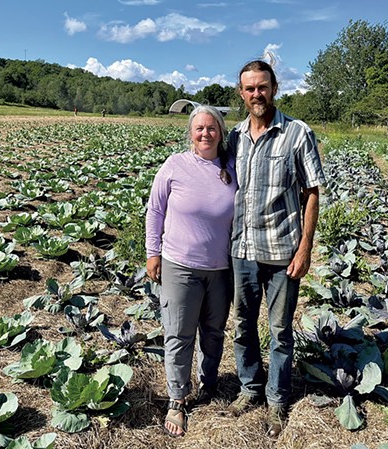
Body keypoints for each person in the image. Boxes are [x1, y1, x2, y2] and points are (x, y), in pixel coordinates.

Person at [225, 60, 325, 438]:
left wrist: (305, 248)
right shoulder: (234, 137)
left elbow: (312, 192)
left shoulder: (297, 134)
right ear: (241, 93)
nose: (256, 95)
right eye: (249, 89)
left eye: (262, 87)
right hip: (243, 249)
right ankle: (250, 387)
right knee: (243, 325)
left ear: (275, 88)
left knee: (280, 331)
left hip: (283, 250)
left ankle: (277, 400)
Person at [145, 105, 237, 438]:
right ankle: (177, 399)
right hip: (179, 265)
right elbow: (155, 210)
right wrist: (152, 253)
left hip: (221, 269)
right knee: (180, 335)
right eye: (199, 128)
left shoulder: (231, 168)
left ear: (221, 132)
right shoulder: (175, 165)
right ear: (190, 133)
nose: (205, 134)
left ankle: (208, 384)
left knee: (214, 333)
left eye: (212, 128)